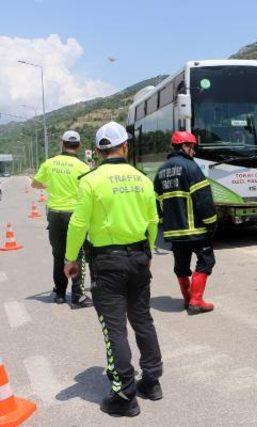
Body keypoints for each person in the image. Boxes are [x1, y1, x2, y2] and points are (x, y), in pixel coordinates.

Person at [63, 122, 162, 417]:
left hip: (107, 262)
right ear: (125, 147)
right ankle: (152, 381)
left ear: (98, 150)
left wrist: (70, 259)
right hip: (139, 258)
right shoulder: (142, 179)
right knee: (142, 318)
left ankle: (123, 395)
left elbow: (78, 224)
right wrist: (148, 251)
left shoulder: (90, 180)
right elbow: (153, 221)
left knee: (114, 327)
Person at [154, 131, 218, 314]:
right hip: (195, 229)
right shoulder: (191, 167)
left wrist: (164, 223)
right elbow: (203, 199)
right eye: (192, 147)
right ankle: (196, 300)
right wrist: (211, 223)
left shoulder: (161, 171)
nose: (194, 152)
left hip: (174, 232)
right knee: (206, 260)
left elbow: (156, 203)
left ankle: (188, 298)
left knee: (181, 266)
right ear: (184, 146)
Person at [32, 130, 92, 308]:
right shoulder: (82, 167)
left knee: (58, 255)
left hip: (55, 215)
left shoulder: (50, 163)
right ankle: (77, 295)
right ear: (79, 146)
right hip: (74, 215)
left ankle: (59, 294)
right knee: (76, 254)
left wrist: (49, 185)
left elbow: (35, 183)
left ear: (62, 144)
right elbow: (88, 191)